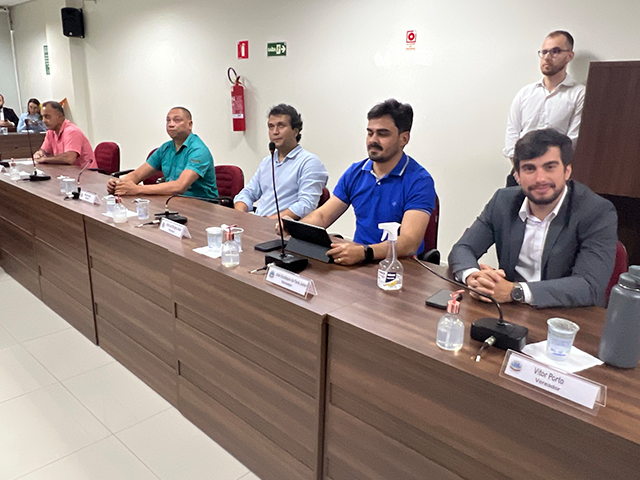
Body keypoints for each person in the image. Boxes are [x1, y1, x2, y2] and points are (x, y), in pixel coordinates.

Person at [449, 128, 617, 308]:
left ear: (567, 171)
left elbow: (589, 285)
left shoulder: (596, 211)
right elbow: (463, 248)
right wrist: (474, 277)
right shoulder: (503, 202)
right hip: (509, 310)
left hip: (567, 315)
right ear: (518, 175)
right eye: (529, 169)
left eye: (550, 167)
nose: (540, 178)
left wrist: (515, 291)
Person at [295, 99, 436, 266]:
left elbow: (409, 242)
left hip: (398, 267)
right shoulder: (355, 172)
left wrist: (365, 252)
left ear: (403, 139)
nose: (373, 140)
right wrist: (294, 230)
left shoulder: (420, 181)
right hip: (358, 262)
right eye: (370, 133)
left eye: (382, 134)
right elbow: (322, 216)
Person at [503, 31, 585, 186]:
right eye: (544, 52)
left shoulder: (579, 94)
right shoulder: (525, 93)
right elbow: (512, 133)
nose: (547, 57)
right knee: (506, 201)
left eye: (555, 51)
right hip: (520, 173)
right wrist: (522, 169)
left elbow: (572, 141)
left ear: (569, 56)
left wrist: (546, 171)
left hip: (554, 176)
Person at [234, 104, 328, 219]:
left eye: (281, 126)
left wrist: (268, 221)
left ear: (296, 131)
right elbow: (248, 193)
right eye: (271, 127)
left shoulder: (309, 162)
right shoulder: (267, 162)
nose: (275, 132)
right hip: (259, 223)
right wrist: (241, 214)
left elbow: (306, 205)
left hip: (284, 227)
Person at [107, 107, 217, 198]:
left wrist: (137, 189)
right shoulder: (166, 148)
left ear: (190, 124)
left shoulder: (198, 150)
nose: (171, 124)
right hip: (173, 201)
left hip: (202, 206)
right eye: (168, 120)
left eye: (177, 120)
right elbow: (137, 174)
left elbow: (179, 186)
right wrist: (120, 184)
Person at [33, 101, 96, 167]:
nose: (43, 120)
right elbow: (44, 150)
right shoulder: (50, 132)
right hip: (67, 171)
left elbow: (69, 158)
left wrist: (45, 159)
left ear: (60, 117)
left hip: (85, 172)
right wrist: (40, 153)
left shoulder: (72, 131)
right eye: (42, 117)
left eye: (47, 117)